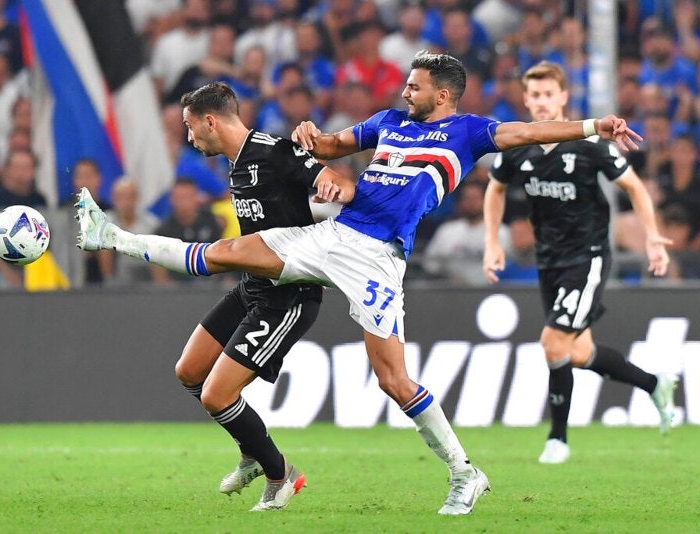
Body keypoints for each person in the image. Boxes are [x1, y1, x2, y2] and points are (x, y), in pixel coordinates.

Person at [77, 52, 644, 515]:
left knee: (392, 380)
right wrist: (311, 136)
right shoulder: (387, 122)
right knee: (226, 253)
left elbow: (527, 130)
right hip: (332, 236)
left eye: (415, 87)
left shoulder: (470, 132)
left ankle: (464, 473)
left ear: (442, 94)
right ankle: (114, 237)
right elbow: (330, 146)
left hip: (378, 259)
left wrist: (597, 125)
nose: (405, 92)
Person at [85, 82, 331, 511]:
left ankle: (281, 475)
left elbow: (328, 179)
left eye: (189, 127)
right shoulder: (235, 165)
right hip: (252, 286)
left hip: (288, 296)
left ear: (209, 121)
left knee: (218, 395)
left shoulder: (274, 151)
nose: (188, 137)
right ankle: (252, 451)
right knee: (189, 371)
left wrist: (336, 190)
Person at [482, 61, 678, 464]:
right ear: (525, 99)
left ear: (563, 97)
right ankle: (654, 384)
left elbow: (634, 186)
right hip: (549, 261)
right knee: (577, 353)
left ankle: (558, 438)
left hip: (587, 257)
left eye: (547, 94)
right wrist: (491, 242)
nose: (540, 102)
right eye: (533, 95)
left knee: (552, 343)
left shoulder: (589, 144)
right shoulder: (519, 146)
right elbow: (494, 190)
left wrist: (653, 236)